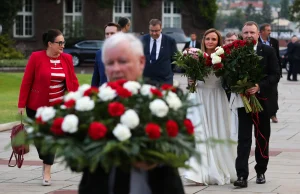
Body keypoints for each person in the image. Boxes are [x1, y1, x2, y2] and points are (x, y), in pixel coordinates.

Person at [79, 33, 185, 194]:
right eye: (109, 63)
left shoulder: (165, 98)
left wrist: (157, 158)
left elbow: (183, 147)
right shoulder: (92, 103)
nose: (116, 69)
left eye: (122, 61)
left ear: (141, 62)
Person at [18, 29, 79, 186]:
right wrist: (21, 104)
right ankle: (46, 160)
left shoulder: (67, 58)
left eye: (63, 42)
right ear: (50, 44)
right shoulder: (36, 57)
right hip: (36, 107)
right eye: (60, 42)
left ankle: (47, 171)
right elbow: (26, 81)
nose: (63, 45)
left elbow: (73, 81)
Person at [184, 28, 237, 186]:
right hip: (199, 96)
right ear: (203, 40)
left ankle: (216, 169)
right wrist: (190, 81)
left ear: (218, 41)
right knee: (199, 133)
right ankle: (197, 172)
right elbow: (190, 78)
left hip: (216, 97)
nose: (210, 42)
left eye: (214, 39)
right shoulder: (196, 56)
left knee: (217, 131)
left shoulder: (223, 57)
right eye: (208, 39)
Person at [233, 21, 280, 188]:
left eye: (252, 32)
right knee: (243, 139)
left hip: (263, 101)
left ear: (258, 34)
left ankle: (261, 170)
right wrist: (237, 86)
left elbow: (276, 74)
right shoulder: (236, 51)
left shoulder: (267, 51)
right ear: (241, 34)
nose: (248, 36)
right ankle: (242, 175)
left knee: (262, 138)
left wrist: (259, 85)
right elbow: (229, 75)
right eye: (245, 33)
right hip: (243, 101)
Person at [141, 19, 178, 85]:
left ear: (161, 29)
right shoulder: (143, 40)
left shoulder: (170, 41)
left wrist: (166, 70)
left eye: (156, 31)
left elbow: (174, 59)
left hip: (165, 80)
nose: (154, 33)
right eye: (151, 31)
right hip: (146, 80)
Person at [258, 23, 281, 123]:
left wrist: (278, 71)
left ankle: (273, 114)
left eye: (270, 30)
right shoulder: (256, 41)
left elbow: (277, 57)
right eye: (267, 30)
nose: (269, 32)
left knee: (273, 94)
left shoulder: (274, 42)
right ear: (262, 31)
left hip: (271, 73)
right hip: (260, 72)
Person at [91, 22, 121, 87]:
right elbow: (96, 78)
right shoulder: (99, 54)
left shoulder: (127, 52)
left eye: (112, 33)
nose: (109, 36)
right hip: (104, 93)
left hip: (122, 94)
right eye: (107, 34)